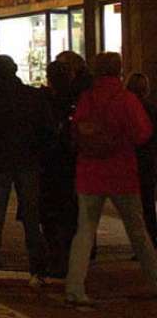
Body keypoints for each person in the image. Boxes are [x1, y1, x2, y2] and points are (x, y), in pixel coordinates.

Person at [65, 52, 157, 307]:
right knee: (138, 231)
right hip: (121, 172)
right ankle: (154, 280)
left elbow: (76, 131)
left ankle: (74, 287)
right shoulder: (126, 99)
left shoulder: (87, 98)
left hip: (89, 173)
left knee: (84, 231)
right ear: (119, 70)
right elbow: (143, 134)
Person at [0, 54, 53, 289]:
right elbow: (47, 130)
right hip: (28, 161)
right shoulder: (33, 96)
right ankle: (38, 270)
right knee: (31, 216)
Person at [39, 60, 77, 278]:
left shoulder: (45, 100)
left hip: (49, 164)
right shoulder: (76, 98)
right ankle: (67, 258)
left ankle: (56, 258)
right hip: (69, 163)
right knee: (69, 213)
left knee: (51, 215)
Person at [126, 72, 157, 246]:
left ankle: (142, 242)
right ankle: (151, 239)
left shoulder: (130, 108)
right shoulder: (151, 108)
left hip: (133, 160)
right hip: (148, 160)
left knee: (135, 206)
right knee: (148, 204)